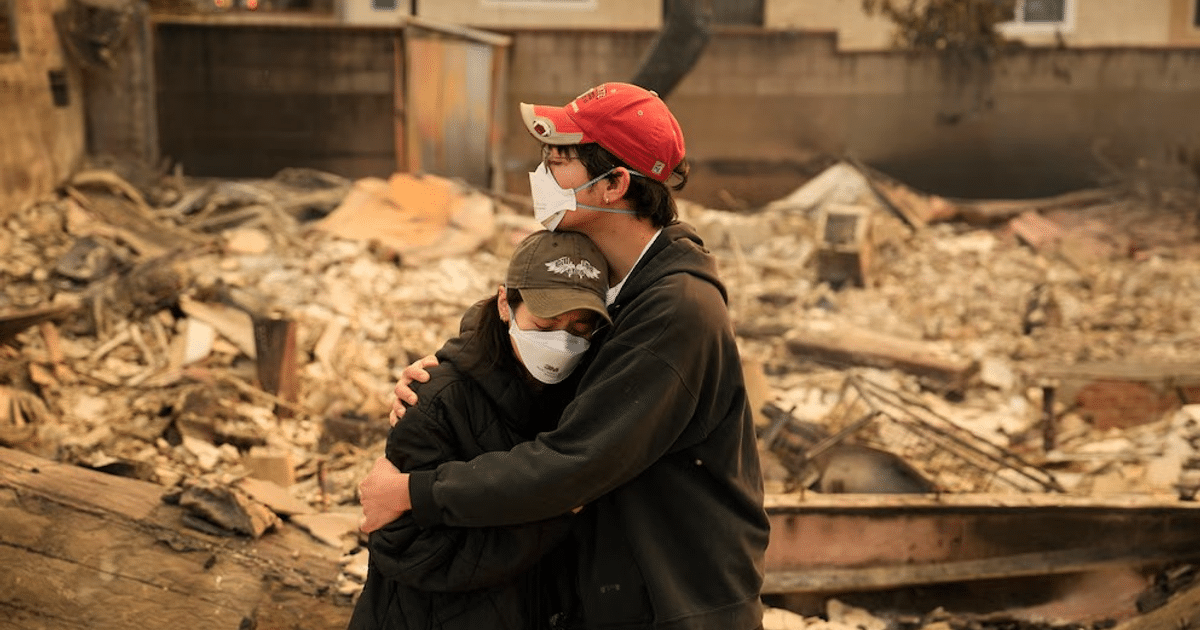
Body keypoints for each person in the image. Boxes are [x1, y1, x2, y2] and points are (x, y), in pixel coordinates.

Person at [359, 82, 770, 630]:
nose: (541, 179)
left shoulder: (676, 310)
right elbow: (528, 317)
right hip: (625, 586)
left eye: (558, 162)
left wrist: (415, 492)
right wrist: (450, 372)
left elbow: (575, 462)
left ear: (615, 184)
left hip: (677, 598)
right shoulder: (615, 280)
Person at [348, 229, 613, 630]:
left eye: (579, 327)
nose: (561, 341)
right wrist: (556, 514)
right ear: (506, 302)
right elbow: (407, 547)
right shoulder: (435, 401)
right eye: (545, 321)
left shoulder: (583, 395)